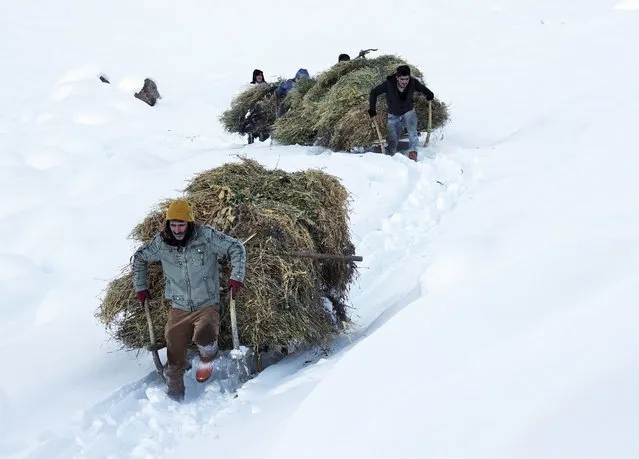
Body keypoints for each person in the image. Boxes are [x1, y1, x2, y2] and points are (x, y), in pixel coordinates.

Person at [132, 199, 246, 401]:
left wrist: (236, 277)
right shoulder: (161, 243)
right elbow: (139, 258)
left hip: (207, 303)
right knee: (174, 350)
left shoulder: (206, 237)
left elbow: (236, 248)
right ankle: (175, 396)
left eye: (181, 224)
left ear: (190, 223)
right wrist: (140, 287)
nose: (177, 229)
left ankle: (207, 359)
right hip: (179, 307)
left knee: (205, 335)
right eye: (173, 224)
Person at [368, 65, 434, 161]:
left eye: (406, 79)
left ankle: (413, 152)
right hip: (393, 114)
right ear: (397, 77)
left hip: (408, 112)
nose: (404, 82)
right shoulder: (388, 84)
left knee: (412, 132)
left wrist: (429, 94)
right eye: (402, 79)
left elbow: (423, 89)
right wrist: (372, 109)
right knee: (393, 139)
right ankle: (391, 154)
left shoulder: (412, 82)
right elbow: (374, 92)